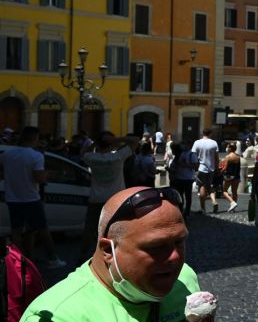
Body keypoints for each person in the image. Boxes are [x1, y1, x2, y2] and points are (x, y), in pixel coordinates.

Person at [19, 186, 199, 321]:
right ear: (108, 250)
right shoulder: (60, 315)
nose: (175, 257)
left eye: (179, 242)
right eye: (156, 246)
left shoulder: (186, 279)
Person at [1, 127, 64, 269]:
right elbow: (39, 178)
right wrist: (47, 174)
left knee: (16, 231)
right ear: (34, 138)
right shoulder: (35, 156)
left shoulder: (7, 154)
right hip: (31, 198)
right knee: (42, 229)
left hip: (13, 198)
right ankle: (53, 258)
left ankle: (17, 260)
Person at [81, 131, 141, 259]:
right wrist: (116, 139)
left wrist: (96, 143)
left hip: (96, 199)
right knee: (118, 228)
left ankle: (83, 256)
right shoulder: (118, 157)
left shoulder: (91, 157)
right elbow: (136, 140)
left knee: (90, 230)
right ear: (111, 145)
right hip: (116, 199)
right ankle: (118, 255)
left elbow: (82, 153)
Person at [191, 129, 220, 214]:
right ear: (210, 133)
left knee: (202, 186)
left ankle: (203, 208)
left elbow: (193, 156)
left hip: (201, 168)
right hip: (211, 168)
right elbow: (216, 157)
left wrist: (194, 168)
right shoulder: (214, 143)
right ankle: (214, 201)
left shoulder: (197, 142)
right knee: (209, 185)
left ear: (202, 133)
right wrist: (217, 168)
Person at [166, 142, 197, 217]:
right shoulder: (180, 154)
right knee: (180, 196)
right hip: (179, 178)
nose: (183, 147)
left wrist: (183, 165)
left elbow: (195, 166)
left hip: (188, 179)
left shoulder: (191, 154)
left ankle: (187, 212)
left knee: (188, 196)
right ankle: (180, 210)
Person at [220, 143, 241, 211]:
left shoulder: (228, 157)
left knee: (224, 191)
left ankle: (232, 202)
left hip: (228, 176)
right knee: (234, 192)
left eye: (227, 147)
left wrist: (219, 172)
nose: (226, 148)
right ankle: (233, 207)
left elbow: (225, 168)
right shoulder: (238, 157)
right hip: (236, 176)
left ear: (230, 148)